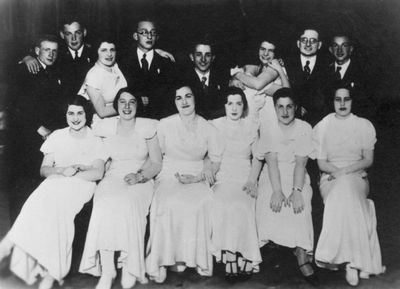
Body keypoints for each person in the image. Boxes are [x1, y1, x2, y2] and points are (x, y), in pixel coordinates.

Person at [0, 95, 106, 289]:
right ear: (65, 115)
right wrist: (61, 171)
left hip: (81, 185)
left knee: (58, 210)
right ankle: (41, 264)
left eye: (80, 113)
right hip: (56, 181)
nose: (75, 118)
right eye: (70, 113)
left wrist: (75, 172)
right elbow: (44, 170)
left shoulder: (95, 139)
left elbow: (97, 172)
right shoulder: (57, 135)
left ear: (87, 114)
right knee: (35, 203)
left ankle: (49, 269)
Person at [79, 88, 161, 289]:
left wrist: (140, 176)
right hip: (113, 176)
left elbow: (156, 163)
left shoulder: (147, 127)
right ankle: (108, 270)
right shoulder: (105, 127)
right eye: (122, 102)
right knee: (103, 205)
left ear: (137, 105)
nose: (127, 106)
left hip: (140, 179)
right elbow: (98, 155)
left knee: (128, 205)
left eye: (131, 102)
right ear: (115, 106)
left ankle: (130, 267)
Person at [145, 84, 223, 283]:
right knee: (167, 202)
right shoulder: (165, 124)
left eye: (188, 96)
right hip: (168, 172)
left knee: (200, 202)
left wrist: (201, 176)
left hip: (196, 173)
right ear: (174, 102)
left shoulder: (208, 127)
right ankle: (162, 261)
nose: (184, 101)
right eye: (179, 98)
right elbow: (155, 157)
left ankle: (195, 259)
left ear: (195, 99)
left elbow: (214, 159)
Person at [312, 87, 385, 286]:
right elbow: (321, 163)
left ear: (353, 101)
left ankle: (353, 262)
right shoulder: (323, 125)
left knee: (348, 192)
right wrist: (339, 173)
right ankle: (350, 258)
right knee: (341, 195)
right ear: (332, 101)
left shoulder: (363, 125)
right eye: (338, 99)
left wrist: (346, 172)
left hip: (358, 177)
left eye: (346, 99)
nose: (342, 104)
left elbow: (367, 160)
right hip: (329, 178)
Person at [247, 88, 317, 285]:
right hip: (272, 175)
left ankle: (302, 255)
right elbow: (271, 164)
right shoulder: (268, 128)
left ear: (295, 108)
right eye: (280, 107)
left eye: (289, 107)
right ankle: (275, 251)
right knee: (269, 200)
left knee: (301, 203)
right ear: (274, 108)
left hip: (298, 174)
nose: (285, 112)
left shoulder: (304, 127)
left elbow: (301, 164)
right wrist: (277, 191)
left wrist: (296, 191)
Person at [6, 34, 65, 221]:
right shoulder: (26, 69)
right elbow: (15, 106)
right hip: (24, 138)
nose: (51, 54)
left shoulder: (55, 72)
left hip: (46, 139)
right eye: (47, 50)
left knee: (39, 189)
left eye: (54, 51)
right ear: (37, 51)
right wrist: (38, 128)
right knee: (22, 189)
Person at [210, 87, 261, 282]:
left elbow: (257, 157)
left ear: (244, 107)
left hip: (244, 176)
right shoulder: (214, 125)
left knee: (243, 205)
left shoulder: (251, 126)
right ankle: (230, 254)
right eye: (230, 103)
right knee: (223, 203)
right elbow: (209, 155)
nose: (234, 108)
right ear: (224, 105)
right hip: (223, 176)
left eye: (239, 103)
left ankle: (247, 254)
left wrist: (252, 180)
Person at [21, 18, 95, 98]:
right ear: (62, 35)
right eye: (68, 34)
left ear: (84, 32)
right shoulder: (56, 54)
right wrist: (27, 57)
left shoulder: (95, 54)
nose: (73, 38)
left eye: (78, 33)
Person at [120, 17, 177, 119]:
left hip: (159, 118)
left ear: (157, 37)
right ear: (135, 36)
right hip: (131, 118)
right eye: (144, 32)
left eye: (153, 33)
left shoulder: (166, 61)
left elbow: (169, 95)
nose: (149, 36)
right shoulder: (123, 60)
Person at [230, 39, 290, 118]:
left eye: (270, 51)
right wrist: (234, 80)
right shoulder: (261, 67)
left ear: (276, 54)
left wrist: (236, 74)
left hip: (273, 117)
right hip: (263, 115)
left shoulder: (273, 66)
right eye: (263, 49)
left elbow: (258, 84)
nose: (265, 53)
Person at [78, 38, 127, 128]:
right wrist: (130, 105)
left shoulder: (116, 67)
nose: (109, 54)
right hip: (103, 124)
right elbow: (102, 112)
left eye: (112, 50)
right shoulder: (93, 75)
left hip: (123, 118)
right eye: (104, 50)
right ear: (96, 52)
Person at [285, 28, 329, 126]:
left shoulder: (328, 66)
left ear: (319, 45)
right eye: (304, 40)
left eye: (313, 41)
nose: (308, 44)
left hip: (318, 124)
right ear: (298, 43)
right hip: (291, 123)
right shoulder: (287, 64)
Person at [180, 38, 230, 119]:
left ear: (213, 58)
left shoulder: (222, 79)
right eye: (199, 54)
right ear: (192, 57)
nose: (203, 59)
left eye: (207, 55)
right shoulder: (183, 80)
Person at [326, 35, 372, 118]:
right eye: (335, 45)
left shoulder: (363, 73)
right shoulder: (323, 73)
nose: (339, 50)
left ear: (351, 49)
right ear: (330, 50)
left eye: (344, 45)